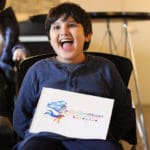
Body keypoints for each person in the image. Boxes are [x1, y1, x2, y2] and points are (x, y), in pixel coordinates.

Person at [13, 2, 135, 150]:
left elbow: (123, 113)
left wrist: (109, 134)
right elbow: (21, 118)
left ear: (87, 35)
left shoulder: (106, 69)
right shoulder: (37, 71)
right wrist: (34, 135)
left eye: (71, 25)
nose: (63, 31)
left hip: (93, 139)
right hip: (44, 139)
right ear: (50, 39)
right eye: (56, 27)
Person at [0, 0, 29, 149]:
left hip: (4, 71)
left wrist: (19, 49)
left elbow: (15, 43)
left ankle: (7, 120)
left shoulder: (6, 21)